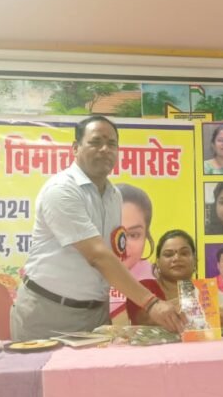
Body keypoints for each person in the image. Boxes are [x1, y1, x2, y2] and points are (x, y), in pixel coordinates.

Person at [11, 116, 185, 340]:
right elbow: (97, 255)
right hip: (49, 311)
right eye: (95, 142)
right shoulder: (62, 190)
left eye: (112, 144)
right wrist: (151, 303)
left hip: (96, 314)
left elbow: (112, 251)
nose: (105, 149)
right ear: (75, 148)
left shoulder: (114, 196)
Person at [126, 229, 223, 327]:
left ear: (194, 261)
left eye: (184, 253)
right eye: (168, 254)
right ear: (158, 262)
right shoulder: (144, 288)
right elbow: (144, 319)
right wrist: (202, 313)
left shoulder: (207, 292)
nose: (176, 258)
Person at [117, 183, 155, 280]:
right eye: (113, 233)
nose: (122, 246)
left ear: (146, 235)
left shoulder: (160, 280)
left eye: (133, 235)